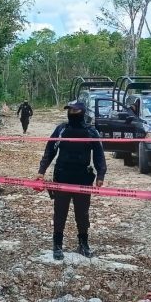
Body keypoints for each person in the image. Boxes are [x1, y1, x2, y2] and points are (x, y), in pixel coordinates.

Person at [36, 101, 107, 260]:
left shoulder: (91, 132)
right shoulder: (61, 129)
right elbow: (50, 150)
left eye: (74, 110)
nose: (71, 113)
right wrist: (41, 171)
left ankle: (83, 243)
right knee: (60, 212)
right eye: (69, 110)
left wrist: (101, 175)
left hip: (82, 177)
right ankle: (57, 245)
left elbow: (98, 154)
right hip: (62, 176)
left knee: (82, 213)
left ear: (82, 112)